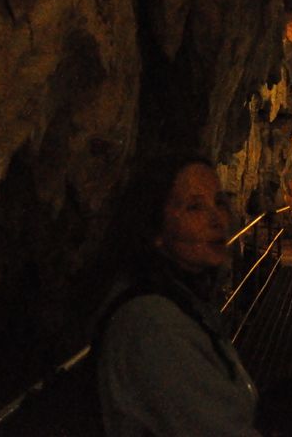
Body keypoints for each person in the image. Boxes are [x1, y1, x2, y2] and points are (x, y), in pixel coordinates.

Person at [97, 152, 259, 437]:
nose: (217, 219)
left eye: (219, 202)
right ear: (156, 228)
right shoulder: (154, 326)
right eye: (195, 207)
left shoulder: (183, 300)